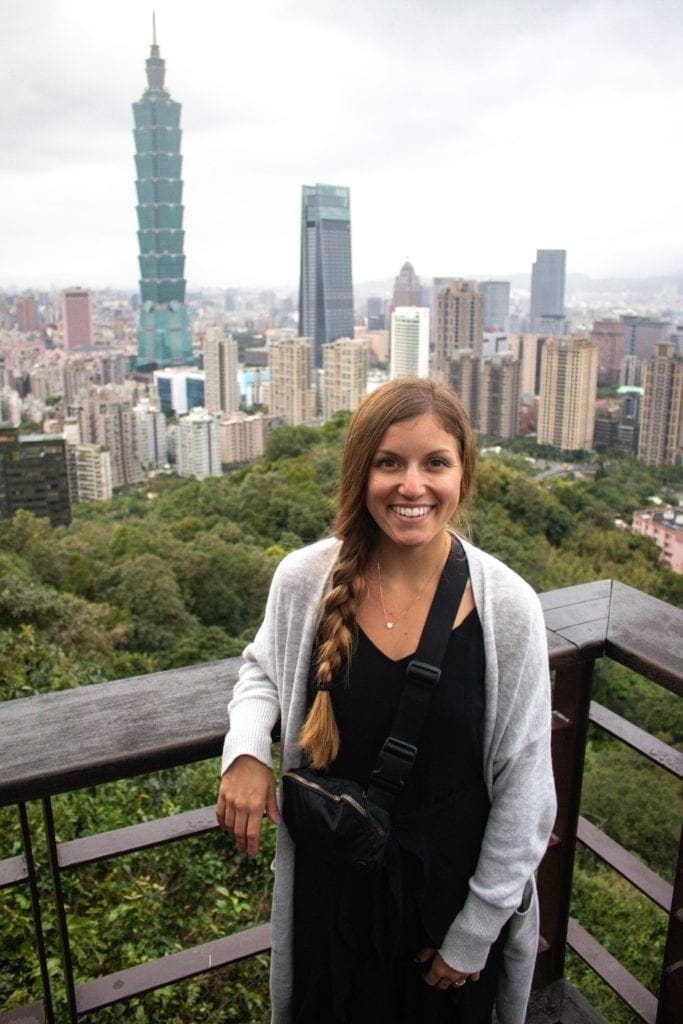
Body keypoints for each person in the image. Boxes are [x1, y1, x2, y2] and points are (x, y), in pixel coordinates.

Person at [216, 377, 556, 1024]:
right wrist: (246, 750)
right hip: (333, 906)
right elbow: (261, 669)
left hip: (446, 921)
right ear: (359, 471)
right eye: (388, 462)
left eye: (435, 463)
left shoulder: (507, 608)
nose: (411, 486)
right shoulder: (305, 581)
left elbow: (526, 789)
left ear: (463, 474)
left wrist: (475, 929)